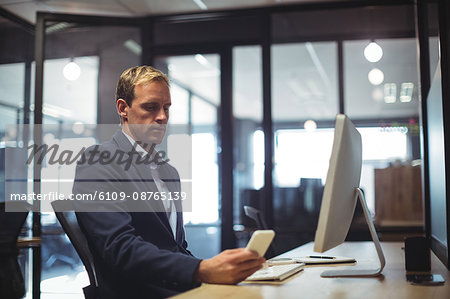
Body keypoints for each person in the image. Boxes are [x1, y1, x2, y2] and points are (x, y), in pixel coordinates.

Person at [72, 66, 265, 299]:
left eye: (166, 108)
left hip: (177, 290)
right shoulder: (99, 161)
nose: (162, 117)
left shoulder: (168, 172)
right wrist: (201, 270)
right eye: (151, 107)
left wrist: (218, 268)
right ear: (123, 108)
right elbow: (120, 248)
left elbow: (176, 248)